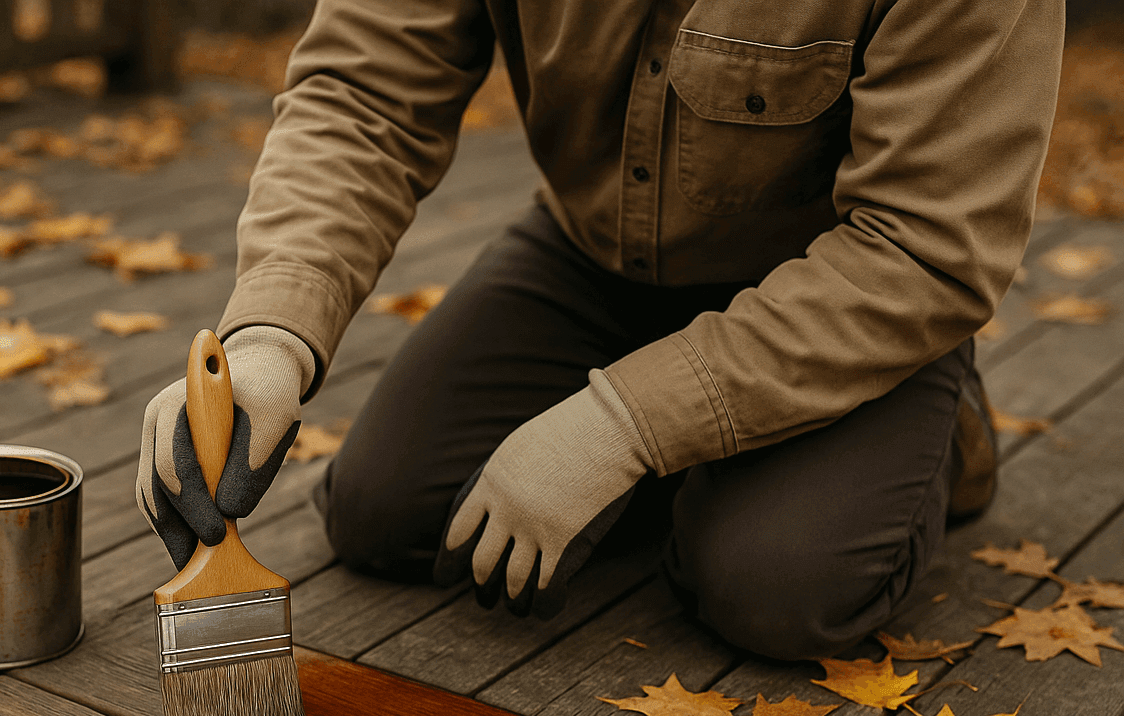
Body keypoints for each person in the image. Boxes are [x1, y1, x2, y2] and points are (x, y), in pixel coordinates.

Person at [137, 0, 1064, 660]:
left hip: (841, 301)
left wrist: (623, 425)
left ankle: (941, 427)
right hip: (594, 259)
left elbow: (925, 244)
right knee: (384, 510)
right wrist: (268, 338)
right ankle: (688, 458)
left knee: (774, 589)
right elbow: (362, 99)